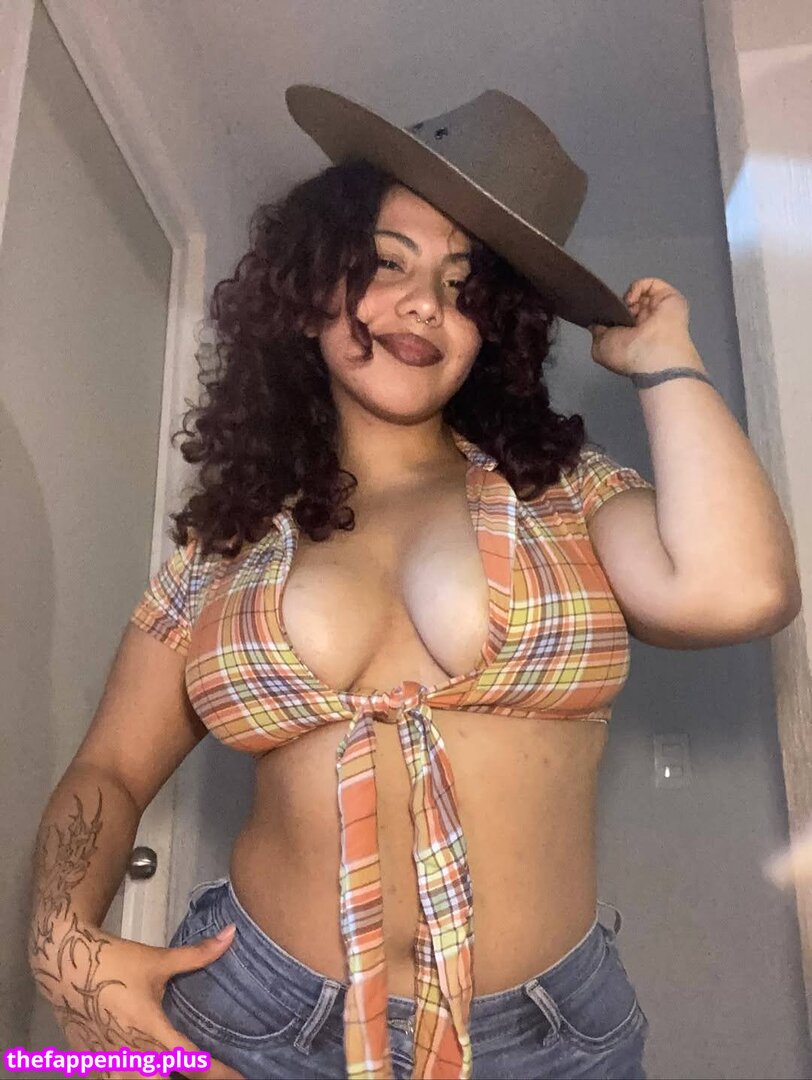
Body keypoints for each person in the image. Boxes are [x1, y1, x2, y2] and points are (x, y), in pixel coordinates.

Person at [28, 85, 801, 1080]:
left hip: (540, 1045)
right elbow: (109, 770)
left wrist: (664, 361)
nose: (426, 305)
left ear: (492, 332)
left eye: (462, 287)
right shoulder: (225, 545)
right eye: (386, 262)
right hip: (246, 1016)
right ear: (313, 284)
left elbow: (741, 591)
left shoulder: (563, 493)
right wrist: (62, 944)